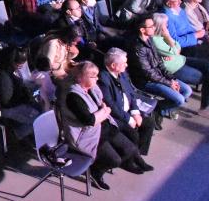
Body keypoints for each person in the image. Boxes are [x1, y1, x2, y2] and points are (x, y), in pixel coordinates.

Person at [58, 61, 145, 191]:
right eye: (93, 76)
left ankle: (105, 163)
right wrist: (105, 111)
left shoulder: (92, 88)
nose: (97, 79)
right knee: (114, 160)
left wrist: (103, 111)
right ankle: (95, 172)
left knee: (129, 148)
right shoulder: (73, 96)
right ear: (81, 77)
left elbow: (102, 104)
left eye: (97, 75)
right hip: (87, 135)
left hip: (103, 127)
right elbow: (89, 120)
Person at [97, 48, 157, 156]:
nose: (126, 65)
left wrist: (135, 113)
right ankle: (129, 158)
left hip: (128, 111)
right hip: (116, 116)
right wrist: (128, 119)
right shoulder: (103, 78)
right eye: (124, 63)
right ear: (113, 65)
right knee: (133, 133)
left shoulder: (122, 73)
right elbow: (111, 105)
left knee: (149, 122)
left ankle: (138, 154)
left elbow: (131, 93)